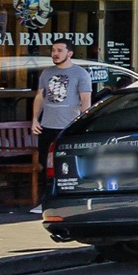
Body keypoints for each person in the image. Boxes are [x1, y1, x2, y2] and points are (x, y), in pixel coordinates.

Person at [30, 38, 92, 208]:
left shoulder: (80, 74)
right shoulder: (47, 73)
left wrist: (82, 123)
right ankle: (45, 201)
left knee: (68, 164)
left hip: (68, 126)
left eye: (59, 50)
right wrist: (35, 119)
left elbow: (85, 99)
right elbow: (40, 96)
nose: (55, 54)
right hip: (47, 125)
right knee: (45, 163)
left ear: (69, 53)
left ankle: (68, 199)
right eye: (53, 50)